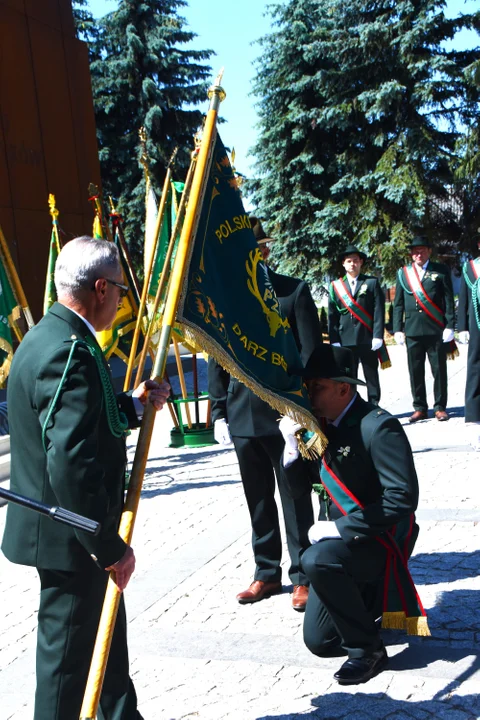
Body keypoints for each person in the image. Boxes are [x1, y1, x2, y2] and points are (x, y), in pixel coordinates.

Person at [1, 237, 170, 720]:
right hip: (70, 536)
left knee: (103, 644)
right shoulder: (68, 351)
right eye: (118, 288)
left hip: (69, 532)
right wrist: (108, 545)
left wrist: (133, 404)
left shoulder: (51, 336)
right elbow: (71, 462)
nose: (121, 298)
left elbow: (81, 419)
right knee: (67, 666)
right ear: (99, 288)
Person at [280, 344, 423, 685]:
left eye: (317, 387)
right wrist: (289, 447)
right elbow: (301, 488)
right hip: (346, 545)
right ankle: (369, 601)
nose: (309, 395)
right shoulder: (320, 426)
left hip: (379, 539)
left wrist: (340, 528)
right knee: (321, 642)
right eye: (308, 387)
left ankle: (367, 650)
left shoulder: (377, 427)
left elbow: (403, 498)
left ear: (344, 389)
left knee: (315, 559)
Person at [208, 216, 322, 611]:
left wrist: (305, 410)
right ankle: (266, 572)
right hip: (241, 415)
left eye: (255, 250)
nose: (250, 257)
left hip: (283, 416)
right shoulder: (228, 301)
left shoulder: (292, 292)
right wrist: (218, 411)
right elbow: (217, 358)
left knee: (295, 495)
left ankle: (303, 575)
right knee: (257, 498)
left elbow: (311, 357)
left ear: (265, 250)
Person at [393, 235, 455, 422]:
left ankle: (440, 407)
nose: (418, 254)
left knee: (438, 370)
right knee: (415, 370)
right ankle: (419, 407)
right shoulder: (403, 274)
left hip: (435, 329)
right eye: (415, 251)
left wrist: (450, 325)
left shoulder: (440, 270)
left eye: (422, 250)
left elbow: (448, 301)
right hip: (412, 330)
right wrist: (397, 328)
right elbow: (398, 304)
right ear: (411, 254)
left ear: (429, 251)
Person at [328, 245, 386, 405]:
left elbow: (378, 311)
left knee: (371, 375)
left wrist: (377, 335)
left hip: (367, 338)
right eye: (349, 261)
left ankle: (374, 405)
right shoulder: (336, 286)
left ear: (361, 262)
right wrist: (334, 339)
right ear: (343, 264)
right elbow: (332, 315)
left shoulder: (372, 283)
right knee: (349, 377)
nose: (352, 264)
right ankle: (351, 407)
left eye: (355, 260)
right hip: (345, 339)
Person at [457, 236, 480, 449]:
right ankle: (474, 418)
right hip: (477, 327)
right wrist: (462, 326)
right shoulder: (471, 268)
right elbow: (463, 297)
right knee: (475, 370)